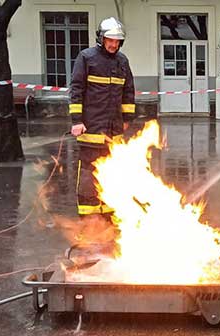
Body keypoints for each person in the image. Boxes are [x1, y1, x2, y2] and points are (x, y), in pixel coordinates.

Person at [69, 17, 135, 218]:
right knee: (89, 174)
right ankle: (88, 216)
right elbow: (76, 89)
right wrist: (76, 121)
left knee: (112, 172)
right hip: (90, 128)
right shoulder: (86, 57)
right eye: (110, 40)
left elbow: (128, 91)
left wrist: (126, 119)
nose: (114, 44)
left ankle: (107, 212)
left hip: (113, 130)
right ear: (101, 38)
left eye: (117, 41)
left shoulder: (122, 61)